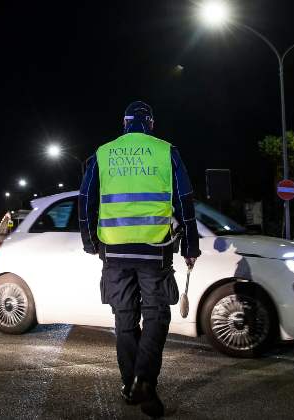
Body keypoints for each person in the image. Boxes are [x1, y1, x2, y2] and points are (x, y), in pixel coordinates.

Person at [79, 101, 200, 418]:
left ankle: (131, 384)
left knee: (125, 319)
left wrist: (90, 241)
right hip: (154, 252)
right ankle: (143, 381)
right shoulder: (166, 151)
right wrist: (190, 244)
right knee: (157, 317)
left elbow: (85, 199)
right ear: (150, 124)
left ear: (124, 124)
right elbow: (185, 200)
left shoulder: (102, 154)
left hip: (115, 253)